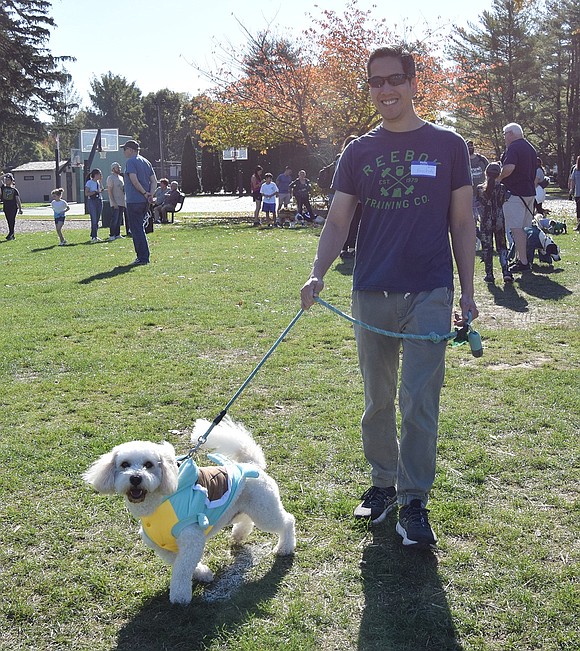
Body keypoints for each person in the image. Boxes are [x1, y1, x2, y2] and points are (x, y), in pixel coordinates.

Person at [300, 46, 478, 549]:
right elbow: (337, 221)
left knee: (419, 400)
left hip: (430, 291)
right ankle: (383, 483)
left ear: (414, 82)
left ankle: (414, 499)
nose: (385, 90)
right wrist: (317, 274)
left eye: (394, 79)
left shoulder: (449, 145)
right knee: (378, 400)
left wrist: (467, 293)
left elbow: (462, 223)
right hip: (371, 290)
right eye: (376, 82)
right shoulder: (358, 152)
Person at [496, 123, 537, 273]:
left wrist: (498, 178)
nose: (504, 137)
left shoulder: (513, 147)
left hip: (515, 193)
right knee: (522, 229)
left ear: (511, 133)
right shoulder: (530, 148)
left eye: (505, 134)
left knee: (516, 229)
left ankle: (523, 262)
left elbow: (509, 168)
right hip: (529, 192)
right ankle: (523, 258)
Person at [475, 162, 512, 283]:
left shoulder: (480, 189)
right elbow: (503, 200)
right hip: (500, 220)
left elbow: (478, 204)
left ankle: (489, 274)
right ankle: (506, 271)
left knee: (487, 247)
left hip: (486, 221)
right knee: (502, 246)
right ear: (498, 175)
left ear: (485, 173)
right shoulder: (502, 188)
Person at [122, 139, 157, 265]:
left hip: (134, 201)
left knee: (136, 230)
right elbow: (154, 181)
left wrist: (144, 193)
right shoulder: (146, 162)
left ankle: (142, 257)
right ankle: (143, 256)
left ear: (130, 150)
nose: (123, 152)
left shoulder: (131, 161)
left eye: (124, 149)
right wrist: (150, 194)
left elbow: (134, 180)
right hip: (144, 202)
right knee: (140, 228)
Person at [106, 162, 126, 241]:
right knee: (115, 218)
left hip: (121, 201)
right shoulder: (110, 178)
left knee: (119, 218)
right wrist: (113, 202)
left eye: (119, 167)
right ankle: (112, 234)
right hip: (115, 201)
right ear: (113, 169)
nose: (119, 169)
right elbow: (110, 190)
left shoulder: (121, 178)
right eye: (117, 167)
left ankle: (117, 233)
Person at [1, 173, 22, 240]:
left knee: (12, 220)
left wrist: (20, 208)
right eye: (6, 180)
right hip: (6, 207)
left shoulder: (14, 190)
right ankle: (12, 235)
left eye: (8, 180)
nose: (6, 181)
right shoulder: (3, 187)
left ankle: (10, 233)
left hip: (13, 207)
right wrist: (6, 174)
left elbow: (18, 200)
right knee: (8, 221)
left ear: (11, 181)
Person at [85, 169, 103, 243]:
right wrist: (94, 192)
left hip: (99, 200)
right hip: (92, 201)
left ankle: (95, 235)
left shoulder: (98, 182)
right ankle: (93, 236)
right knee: (94, 219)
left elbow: (101, 189)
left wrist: (101, 183)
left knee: (98, 218)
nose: (100, 176)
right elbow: (86, 193)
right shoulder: (89, 182)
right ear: (96, 174)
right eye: (99, 174)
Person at [568, 156, 580, 232]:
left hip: (578, 192)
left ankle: (578, 224)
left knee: (578, 209)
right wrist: (571, 189)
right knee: (578, 209)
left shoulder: (576, 170)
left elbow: (572, 180)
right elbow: (572, 180)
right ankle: (579, 224)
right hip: (578, 193)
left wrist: (571, 189)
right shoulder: (575, 169)